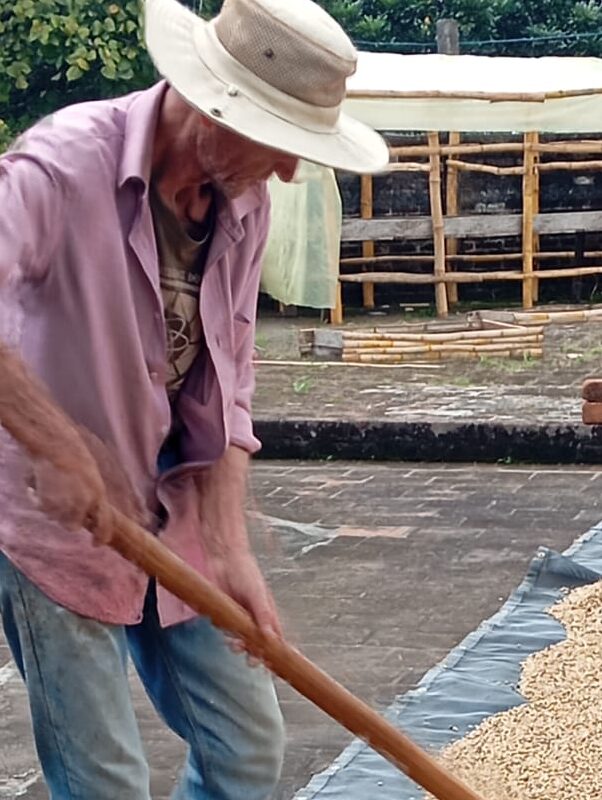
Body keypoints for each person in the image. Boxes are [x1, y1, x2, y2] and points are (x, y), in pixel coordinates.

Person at [0, 0, 388, 797]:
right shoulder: (64, 164)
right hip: (50, 518)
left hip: (170, 515)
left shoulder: (245, 207)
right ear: (214, 107)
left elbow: (228, 387)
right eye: (281, 143)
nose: (287, 171)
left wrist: (231, 548)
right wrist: (57, 445)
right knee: (107, 781)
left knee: (245, 751)